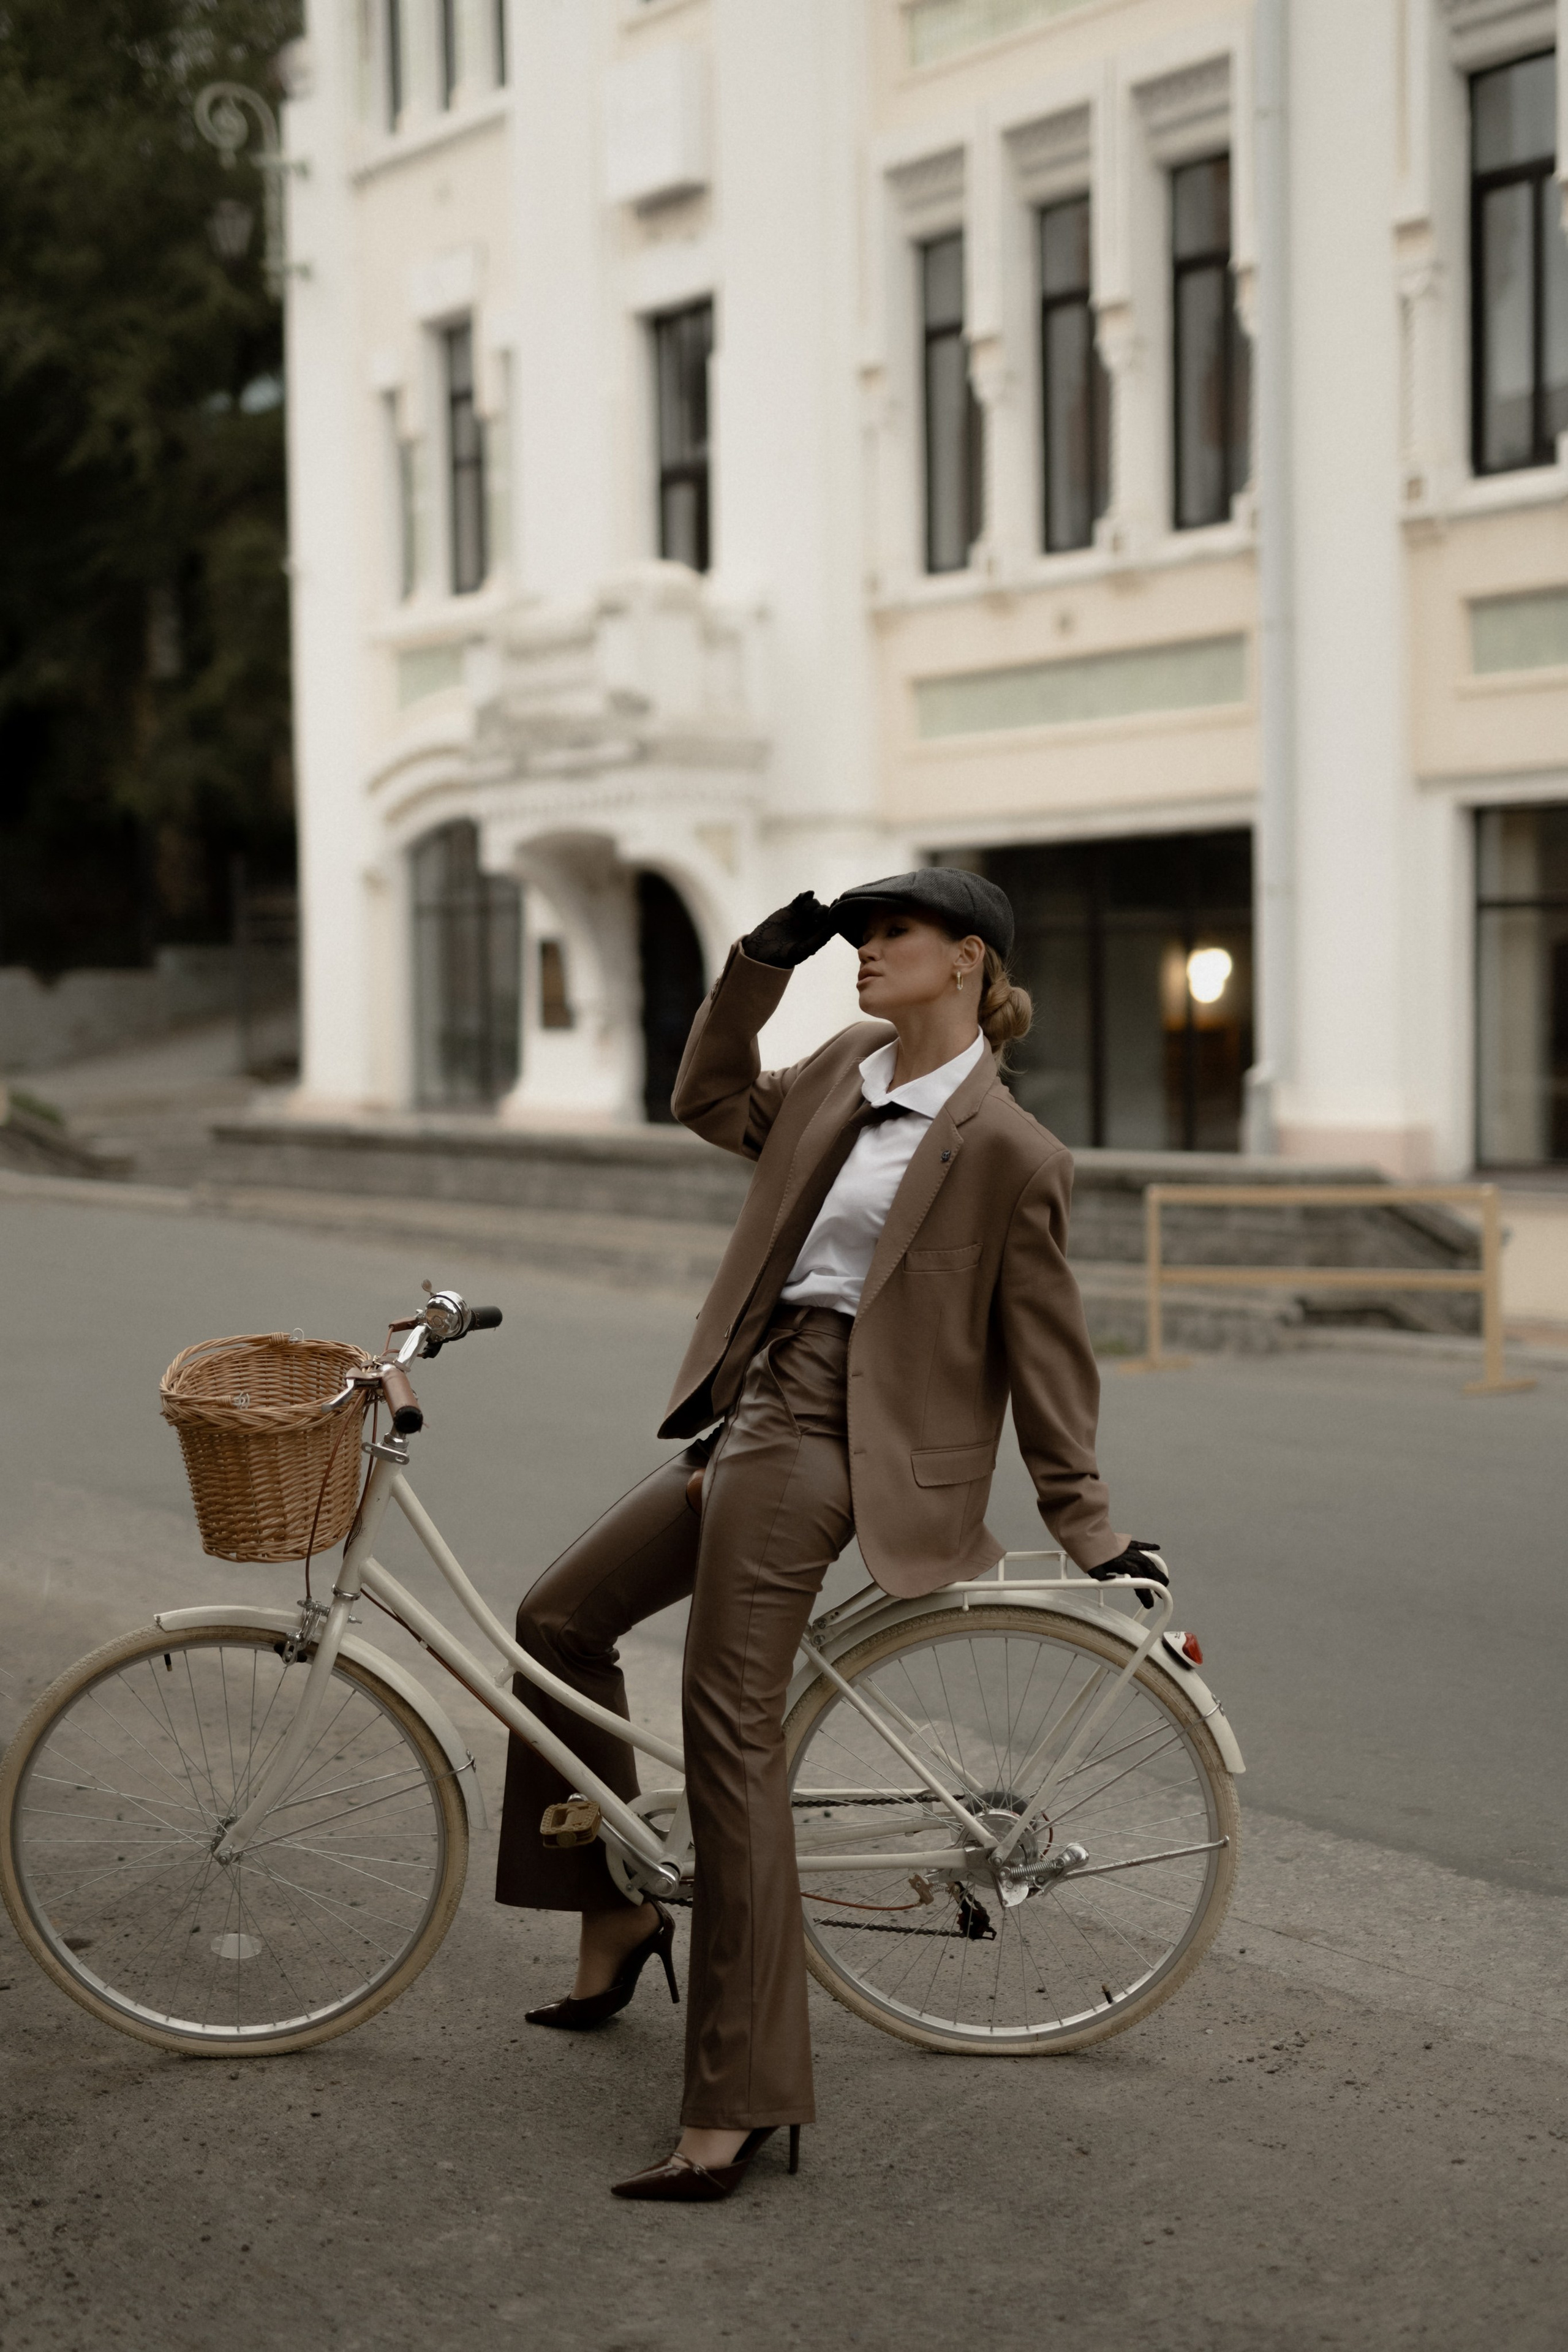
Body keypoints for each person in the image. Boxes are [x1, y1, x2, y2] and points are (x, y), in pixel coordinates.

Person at [492, 869, 1162, 2203]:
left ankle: (738, 2101)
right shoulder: (845, 1066)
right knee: (557, 1622)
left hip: (834, 1441)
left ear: (966, 960)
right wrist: (757, 964)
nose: (862, 949)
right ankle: (615, 1911)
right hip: (751, 1408)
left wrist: (1088, 1526)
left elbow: (1047, 1353)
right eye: (855, 934)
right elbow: (705, 1101)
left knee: (729, 1735)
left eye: (890, 931)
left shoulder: (1010, 1151)